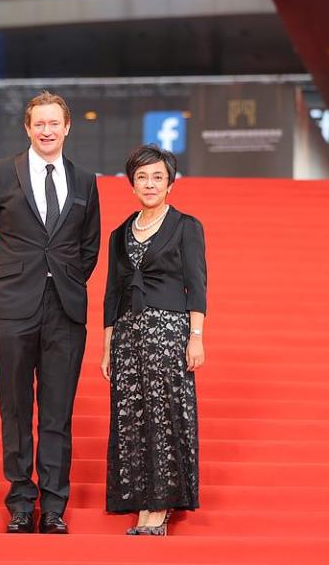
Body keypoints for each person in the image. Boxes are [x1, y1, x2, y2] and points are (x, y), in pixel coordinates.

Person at [0, 91, 101, 535]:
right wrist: (7, 284)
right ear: (28, 128)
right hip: (12, 310)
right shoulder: (0, 175)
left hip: (65, 308)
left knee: (58, 411)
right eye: (38, 124)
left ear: (67, 128)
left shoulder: (84, 181)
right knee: (16, 407)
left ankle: (55, 505)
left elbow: (89, 247)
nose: (46, 131)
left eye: (54, 123)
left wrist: (62, 279)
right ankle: (21, 502)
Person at [101, 144, 207, 536]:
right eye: (142, 177)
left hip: (168, 332)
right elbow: (112, 292)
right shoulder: (119, 233)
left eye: (157, 177)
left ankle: (161, 506)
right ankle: (141, 501)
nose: (150, 184)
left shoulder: (186, 226)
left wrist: (195, 337)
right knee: (132, 417)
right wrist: (108, 344)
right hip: (128, 335)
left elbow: (196, 284)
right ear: (132, 183)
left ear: (170, 184)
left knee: (165, 416)